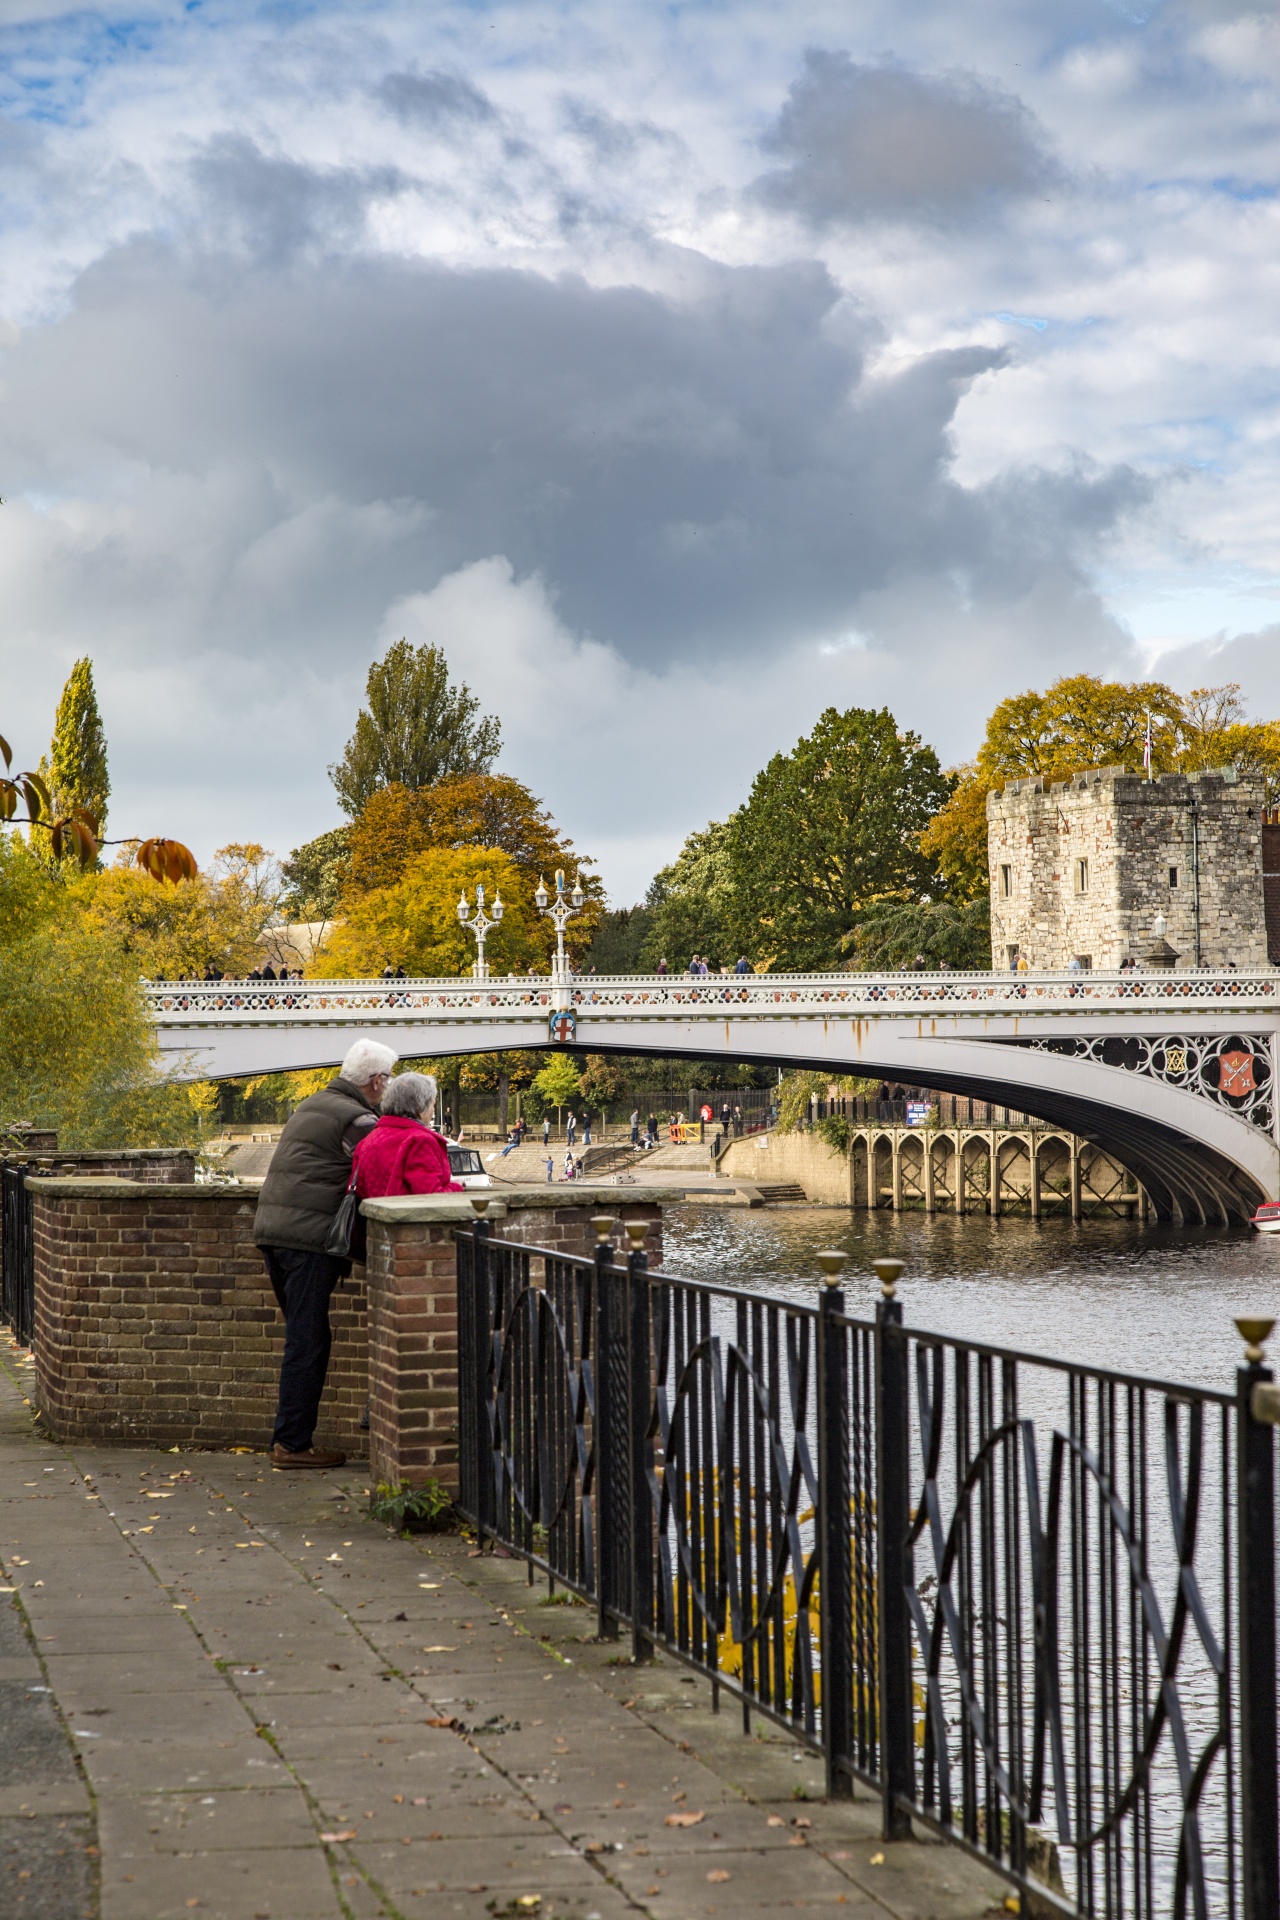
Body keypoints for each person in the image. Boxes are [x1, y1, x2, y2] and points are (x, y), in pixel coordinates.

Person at [254, 1037, 396, 1470]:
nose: (389, 1088)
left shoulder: (314, 1102)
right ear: (376, 1081)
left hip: (274, 1232)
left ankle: (291, 1439)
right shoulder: (357, 1119)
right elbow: (383, 1166)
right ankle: (291, 1445)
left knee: (304, 1337)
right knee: (307, 1342)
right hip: (308, 1240)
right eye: (388, 1080)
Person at [353, 1073, 464, 1199]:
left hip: (373, 1217)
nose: (433, 1110)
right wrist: (457, 1186)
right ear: (421, 1106)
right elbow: (432, 1198)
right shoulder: (420, 1140)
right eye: (432, 1104)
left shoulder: (368, 1140)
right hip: (406, 1218)